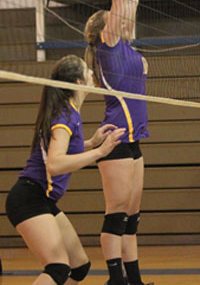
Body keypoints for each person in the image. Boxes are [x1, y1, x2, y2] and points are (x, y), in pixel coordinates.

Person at [5, 55, 124, 285]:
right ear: (79, 82)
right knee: (58, 267)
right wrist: (100, 152)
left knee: (79, 266)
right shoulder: (65, 115)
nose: (92, 74)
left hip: (41, 198)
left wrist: (90, 143)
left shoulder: (69, 112)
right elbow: (55, 164)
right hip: (29, 198)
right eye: (88, 71)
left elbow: (60, 151)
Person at [84, 0, 151, 285]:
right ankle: (115, 280)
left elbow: (131, 1)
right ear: (104, 28)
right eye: (114, 18)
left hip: (134, 142)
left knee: (132, 218)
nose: (123, 18)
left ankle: (134, 281)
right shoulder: (106, 49)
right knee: (116, 214)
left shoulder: (126, 45)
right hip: (115, 139)